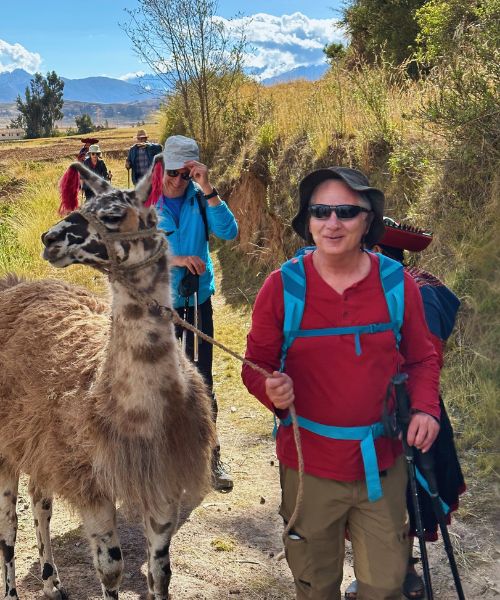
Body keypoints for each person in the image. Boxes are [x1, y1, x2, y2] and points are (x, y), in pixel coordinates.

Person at [241, 167, 441, 600]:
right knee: (315, 583)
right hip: (308, 465)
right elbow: (255, 363)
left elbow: (423, 355)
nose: (332, 223)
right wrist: (268, 390)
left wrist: (425, 408)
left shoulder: (396, 284)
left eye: (347, 212)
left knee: (387, 583)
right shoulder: (282, 287)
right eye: (321, 211)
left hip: (381, 463)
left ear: (368, 221)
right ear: (308, 220)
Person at [344, 217, 465, 600]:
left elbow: (424, 354)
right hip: (387, 410)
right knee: (385, 492)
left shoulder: (414, 291)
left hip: (405, 410)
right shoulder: (414, 285)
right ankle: (396, 570)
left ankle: (402, 572)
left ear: (377, 252)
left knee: (399, 492)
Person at [155, 135, 238, 492]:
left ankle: (210, 456)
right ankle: (165, 461)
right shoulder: (144, 204)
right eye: (172, 172)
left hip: (198, 301)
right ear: (162, 168)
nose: (177, 180)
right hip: (161, 304)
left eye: (186, 174)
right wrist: (176, 259)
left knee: (202, 380)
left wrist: (207, 187)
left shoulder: (201, 199)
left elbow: (228, 232)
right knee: (164, 383)